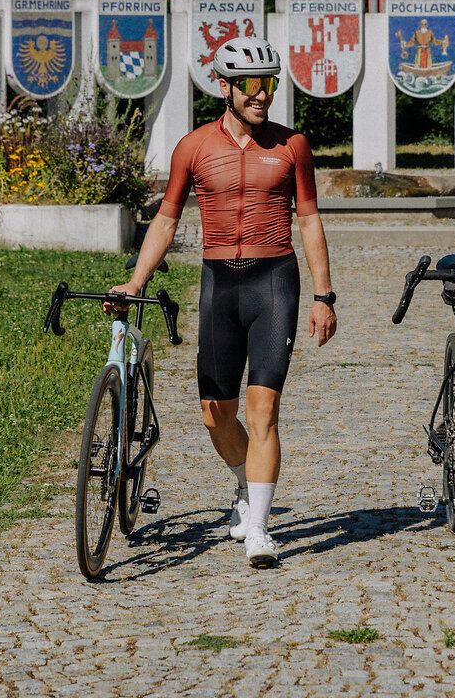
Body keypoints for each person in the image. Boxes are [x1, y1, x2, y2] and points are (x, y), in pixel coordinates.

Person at [111, 37, 337, 569]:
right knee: (217, 416)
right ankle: (243, 485)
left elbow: (309, 221)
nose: (263, 96)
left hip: (273, 281)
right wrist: (137, 282)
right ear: (226, 88)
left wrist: (324, 294)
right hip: (219, 283)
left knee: (264, 412)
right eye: (253, 86)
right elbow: (166, 219)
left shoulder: (292, 145)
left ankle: (259, 528)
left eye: (270, 85)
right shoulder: (193, 148)